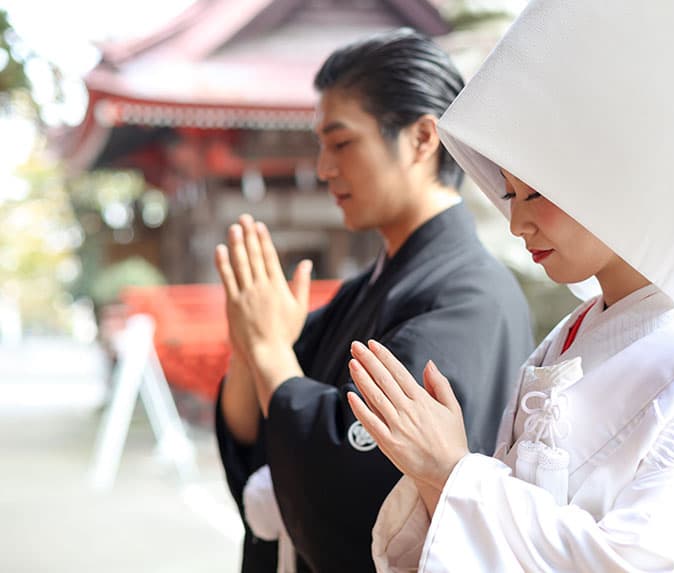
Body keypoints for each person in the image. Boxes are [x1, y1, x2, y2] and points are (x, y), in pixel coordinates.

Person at [346, 2, 674, 571]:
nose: (516, 223)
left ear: (618, 179)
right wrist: (442, 471)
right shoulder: (569, 334)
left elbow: (632, 562)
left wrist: (451, 471)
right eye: (510, 194)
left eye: (537, 193)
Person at [213, 28, 534, 573]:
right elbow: (259, 441)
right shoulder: (362, 291)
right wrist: (252, 343)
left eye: (341, 143)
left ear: (421, 139)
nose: (323, 168)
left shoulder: (470, 300)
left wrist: (269, 350)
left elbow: (353, 493)